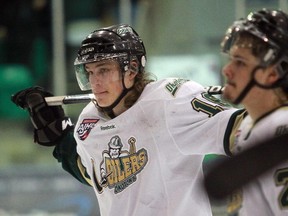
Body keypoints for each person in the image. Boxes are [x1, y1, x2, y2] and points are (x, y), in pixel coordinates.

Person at [12, 24, 240, 216]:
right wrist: (62, 140)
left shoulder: (170, 102)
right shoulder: (88, 121)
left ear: (131, 70)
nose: (95, 82)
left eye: (103, 70)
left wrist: (245, 173)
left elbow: (239, 129)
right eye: (89, 72)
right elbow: (98, 177)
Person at [220, 8, 288, 216]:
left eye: (240, 62)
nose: (227, 70)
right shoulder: (251, 124)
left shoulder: (280, 129)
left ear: (272, 73)